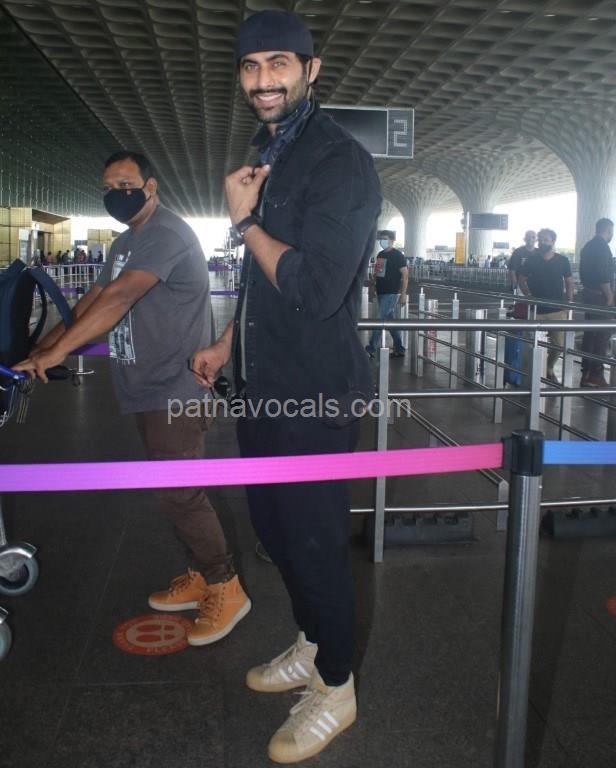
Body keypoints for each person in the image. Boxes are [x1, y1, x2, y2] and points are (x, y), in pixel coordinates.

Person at [191, 11, 381, 763]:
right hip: (262, 385)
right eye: (250, 66)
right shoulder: (271, 152)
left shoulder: (339, 161)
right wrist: (227, 342)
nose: (263, 79)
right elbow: (262, 285)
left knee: (315, 543)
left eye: (279, 63)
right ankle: (312, 642)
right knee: (275, 534)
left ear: (311, 69)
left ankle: (336, 684)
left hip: (315, 394)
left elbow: (314, 287)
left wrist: (244, 223)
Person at [14, 150, 250, 647]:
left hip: (176, 387)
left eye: (125, 184)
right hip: (145, 385)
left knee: (181, 492)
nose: (115, 193)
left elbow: (122, 296)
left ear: (150, 187)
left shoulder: (166, 233)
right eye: (107, 186)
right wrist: (44, 346)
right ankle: (201, 574)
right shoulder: (126, 241)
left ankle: (226, 586)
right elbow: (95, 299)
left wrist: (58, 351)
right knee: (170, 491)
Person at [518, 228, 574, 385]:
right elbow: (521, 279)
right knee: (531, 345)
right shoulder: (532, 260)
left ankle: (548, 368)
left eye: (546, 240)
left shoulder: (562, 260)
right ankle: (532, 375)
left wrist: (569, 303)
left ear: (553, 241)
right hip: (536, 310)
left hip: (557, 310)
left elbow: (569, 282)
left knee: (559, 345)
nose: (542, 242)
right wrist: (528, 295)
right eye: (540, 239)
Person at [579, 218, 614, 387]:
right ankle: (596, 373)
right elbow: (603, 275)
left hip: (589, 294)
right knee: (602, 334)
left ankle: (586, 372)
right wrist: (610, 296)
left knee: (590, 333)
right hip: (599, 296)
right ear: (608, 231)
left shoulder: (588, 246)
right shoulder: (602, 247)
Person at [365, 229, 408, 358]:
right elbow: (377, 273)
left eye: (385, 239)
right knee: (390, 322)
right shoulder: (380, 254)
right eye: (381, 239)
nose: (382, 241)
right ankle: (399, 348)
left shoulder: (398, 255)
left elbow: (405, 275)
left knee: (379, 319)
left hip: (391, 293)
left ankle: (371, 348)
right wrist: (372, 288)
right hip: (381, 292)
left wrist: (403, 294)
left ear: (392, 240)